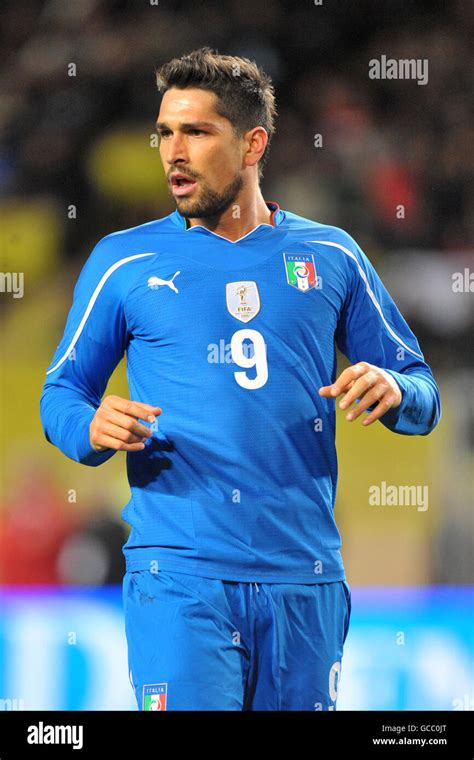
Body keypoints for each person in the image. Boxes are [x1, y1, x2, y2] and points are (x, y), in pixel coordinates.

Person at [40, 47, 441, 711]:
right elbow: (62, 393)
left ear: (253, 142)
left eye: (196, 132)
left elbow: (421, 390)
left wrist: (398, 392)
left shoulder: (331, 254)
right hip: (181, 576)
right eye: (165, 132)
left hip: (304, 577)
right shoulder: (124, 261)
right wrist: (89, 425)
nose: (173, 150)